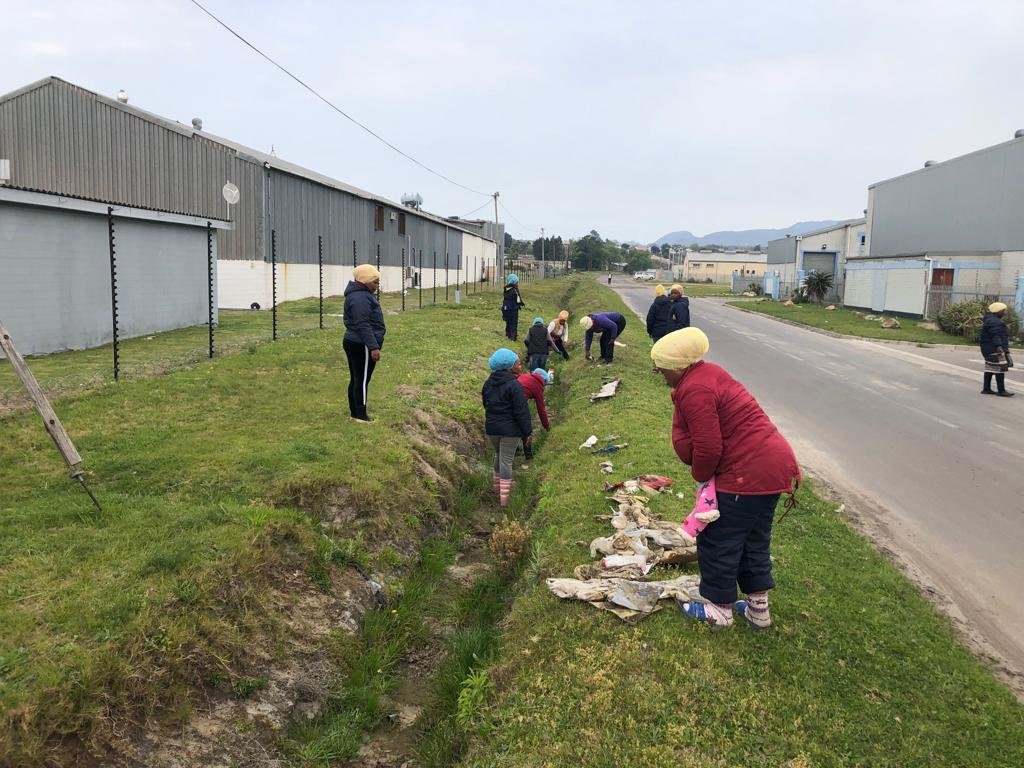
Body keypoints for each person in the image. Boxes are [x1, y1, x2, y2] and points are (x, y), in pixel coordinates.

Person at [651, 327, 800, 628]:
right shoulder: (710, 374)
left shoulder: (695, 389)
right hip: (771, 468)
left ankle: (719, 611)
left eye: (662, 367)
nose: (659, 372)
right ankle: (758, 611)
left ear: (678, 366)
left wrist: (702, 480)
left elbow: (708, 448)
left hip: (746, 473)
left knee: (719, 539)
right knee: (753, 541)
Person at [482, 349, 533, 507]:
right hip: (510, 430)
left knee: (499, 455)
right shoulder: (514, 385)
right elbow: (521, 411)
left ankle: (496, 489)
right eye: (517, 363)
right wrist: (527, 432)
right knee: (506, 461)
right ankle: (504, 501)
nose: (520, 365)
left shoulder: (488, 383)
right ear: (509, 366)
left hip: (492, 428)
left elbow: (486, 405)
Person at [343, 264, 386, 422]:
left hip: (356, 341)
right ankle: (361, 416)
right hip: (362, 344)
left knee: (357, 379)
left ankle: (355, 413)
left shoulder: (360, 295)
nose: (377, 285)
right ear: (364, 281)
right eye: (374, 282)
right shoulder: (360, 298)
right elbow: (362, 324)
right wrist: (373, 347)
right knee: (361, 380)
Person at [980, 301, 1014, 397]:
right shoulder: (995, 321)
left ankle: (986, 388)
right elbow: (995, 334)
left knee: (990, 368)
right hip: (994, 348)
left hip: (988, 348)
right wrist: (999, 346)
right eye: (1002, 311)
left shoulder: (990, 320)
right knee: (1000, 368)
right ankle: (1001, 390)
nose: (1004, 313)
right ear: (997, 311)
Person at [517, 367, 553, 459]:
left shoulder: (525, 376)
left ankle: (515, 450)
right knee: (526, 428)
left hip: (506, 400)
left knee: (513, 424)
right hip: (519, 404)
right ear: (544, 381)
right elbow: (541, 409)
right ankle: (528, 455)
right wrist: (547, 426)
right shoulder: (538, 385)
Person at [501, 274, 525, 340]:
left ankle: (508, 334)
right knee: (513, 322)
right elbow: (518, 299)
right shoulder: (515, 289)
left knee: (508, 321)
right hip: (513, 308)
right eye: (517, 282)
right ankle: (513, 336)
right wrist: (521, 303)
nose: (517, 283)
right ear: (514, 282)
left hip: (506, 308)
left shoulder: (506, 289)